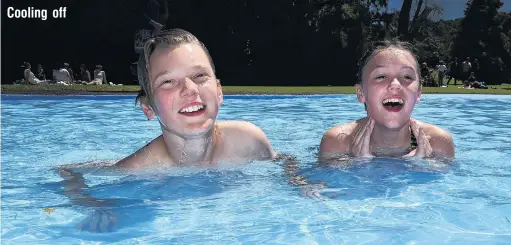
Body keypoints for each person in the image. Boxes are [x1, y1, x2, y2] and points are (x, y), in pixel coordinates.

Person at [319, 39, 455, 163]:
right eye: (381, 76)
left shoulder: (439, 142)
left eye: (407, 77)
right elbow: (315, 188)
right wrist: (358, 165)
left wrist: (424, 168)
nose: (395, 84)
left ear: (418, 93)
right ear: (361, 93)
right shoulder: (338, 142)